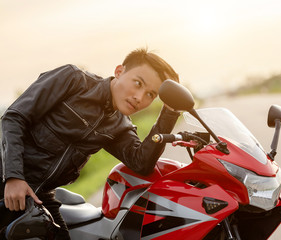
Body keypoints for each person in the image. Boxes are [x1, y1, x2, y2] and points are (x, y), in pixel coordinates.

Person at [0, 48, 180, 239]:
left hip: (40, 197)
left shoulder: (120, 126)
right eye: (138, 83)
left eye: (151, 95)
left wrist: (170, 112)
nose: (139, 97)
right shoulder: (73, 79)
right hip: (7, 178)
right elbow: (14, 117)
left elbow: (141, 163)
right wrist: (13, 177)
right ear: (119, 71)